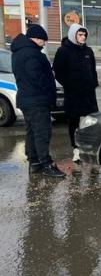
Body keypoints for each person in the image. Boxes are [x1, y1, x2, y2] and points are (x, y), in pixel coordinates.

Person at [11, 25, 65, 178]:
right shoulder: (33, 54)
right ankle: (46, 163)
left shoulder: (18, 52)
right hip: (37, 100)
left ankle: (34, 162)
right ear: (36, 38)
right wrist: (49, 93)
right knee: (42, 132)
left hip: (26, 99)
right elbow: (38, 78)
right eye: (43, 40)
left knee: (31, 131)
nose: (44, 43)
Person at [52, 23, 99, 164]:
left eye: (84, 35)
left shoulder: (88, 51)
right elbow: (58, 71)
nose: (83, 37)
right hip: (73, 94)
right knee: (74, 122)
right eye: (80, 34)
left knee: (91, 120)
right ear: (73, 35)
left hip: (89, 93)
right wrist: (69, 84)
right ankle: (76, 149)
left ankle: (89, 147)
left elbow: (93, 69)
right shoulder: (63, 51)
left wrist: (94, 82)